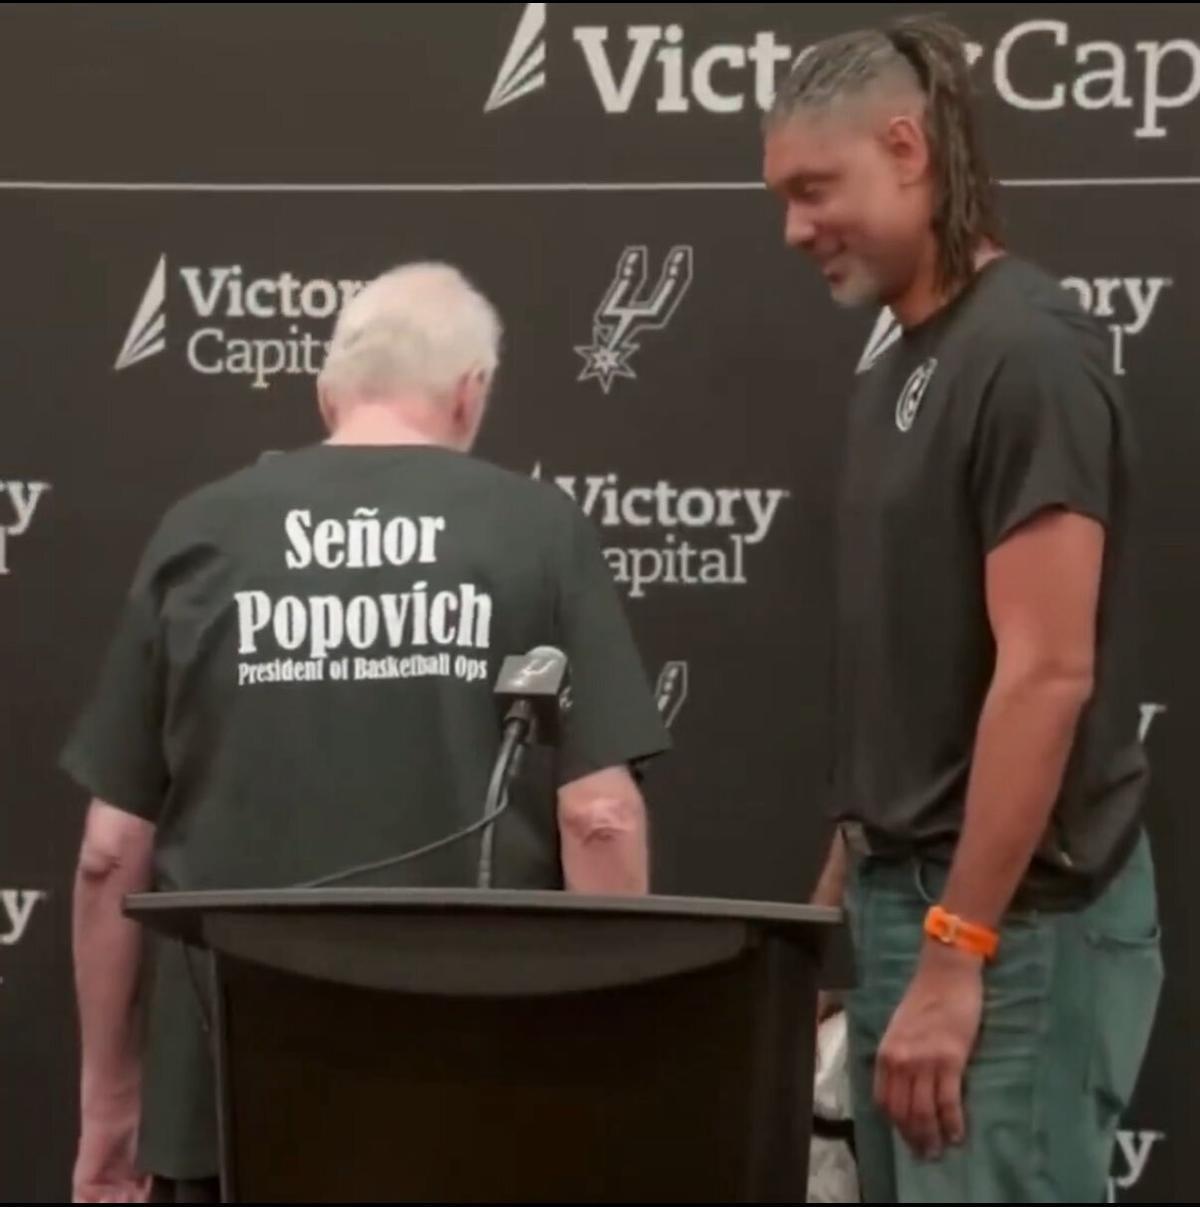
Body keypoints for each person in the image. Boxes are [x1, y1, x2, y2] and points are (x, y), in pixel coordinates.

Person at [62, 262, 670, 1203]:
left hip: (227, 1106)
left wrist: (111, 1102)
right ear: (472, 393)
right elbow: (600, 818)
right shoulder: (539, 530)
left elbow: (111, 850)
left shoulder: (201, 532)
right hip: (482, 1095)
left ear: (326, 392)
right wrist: (610, 1079)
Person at [762, 16, 1163, 1204]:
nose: (792, 228)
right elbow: (917, 677)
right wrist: (841, 918)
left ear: (906, 147)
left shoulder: (1026, 353)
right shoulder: (895, 362)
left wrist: (959, 947)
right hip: (914, 910)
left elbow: (1047, 673)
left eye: (812, 189)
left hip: (1012, 930)